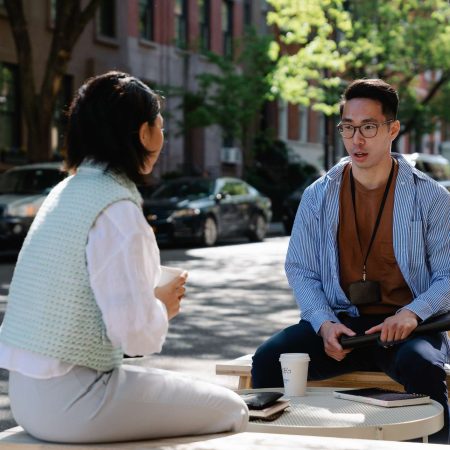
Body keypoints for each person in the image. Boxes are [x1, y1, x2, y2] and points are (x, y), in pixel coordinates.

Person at [0, 72, 248, 443]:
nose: (162, 139)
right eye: (160, 127)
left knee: (184, 394)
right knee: (233, 409)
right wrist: (161, 305)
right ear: (143, 133)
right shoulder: (117, 210)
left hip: (25, 396)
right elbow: (136, 338)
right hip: (77, 403)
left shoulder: (66, 191)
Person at [252, 78, 450, 444]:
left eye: (369, 127)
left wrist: (412, 313)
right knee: (268, 358)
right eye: (348, 127)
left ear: (393, 129)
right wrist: (324, 322)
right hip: (341, 325)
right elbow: (301, 269)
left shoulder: (431, 197)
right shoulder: (319, 194)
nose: (356, 139)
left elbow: (447, 276)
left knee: (422, 366)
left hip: (407, 328)